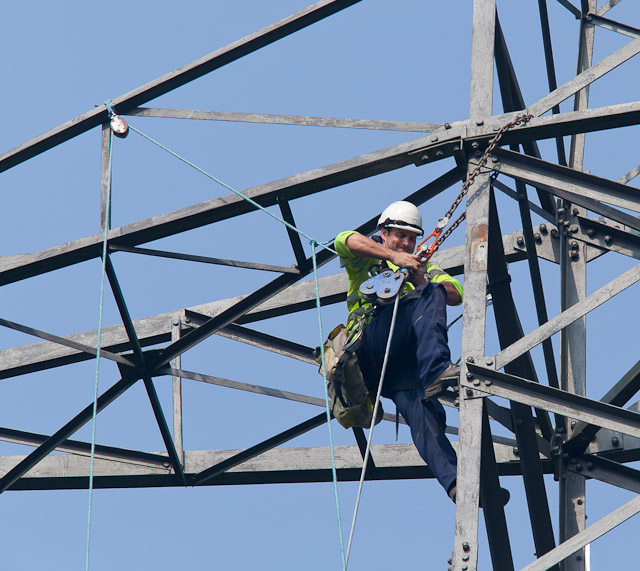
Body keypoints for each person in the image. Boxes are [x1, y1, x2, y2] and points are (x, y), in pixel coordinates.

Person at [334, 201, 462, 500]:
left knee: (426, 417)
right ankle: (435, 370)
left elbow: (455, 293)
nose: (405, 242)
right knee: (430, 293)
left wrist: (422, 279)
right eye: (398, 235)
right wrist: (394, 257)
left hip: (402, 364)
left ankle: (457, 485)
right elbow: (345, 239)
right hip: (371, 343)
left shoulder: (424, 267)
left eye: (410, 238)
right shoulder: (367, 258)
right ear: (384, 233)